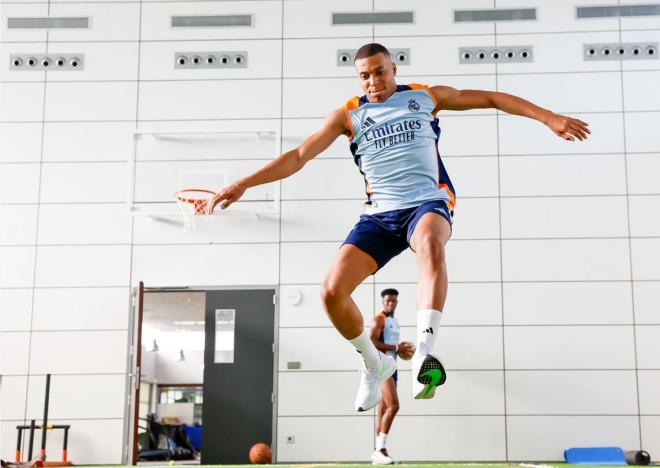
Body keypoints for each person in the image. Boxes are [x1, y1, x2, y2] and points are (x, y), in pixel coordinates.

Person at [207, 42, 590, 412]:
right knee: (330, 293)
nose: (373, 80)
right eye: (365, 76)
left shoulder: (426, 97)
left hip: (427, 202)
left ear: (393, 69)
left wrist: (548, 117)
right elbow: (298, 155)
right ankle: (375, 364)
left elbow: (491, 97)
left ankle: (424, 352)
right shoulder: (347, 116)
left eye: (379, 71)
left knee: (430, 244)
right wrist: (243, 183)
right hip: (379, 215)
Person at [369, 288, 412, 465]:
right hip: (381, 366)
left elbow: (393, 346)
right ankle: (380, 450)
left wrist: (402, 350)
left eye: (393, 301)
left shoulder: (394, 321)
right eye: (388, 301)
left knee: (383, 409)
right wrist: (396, 349)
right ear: (382, 301)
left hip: (392, 367)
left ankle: (376, 452)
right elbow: (371, 342)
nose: (391, 303)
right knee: (394, 406)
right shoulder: (379, 319)